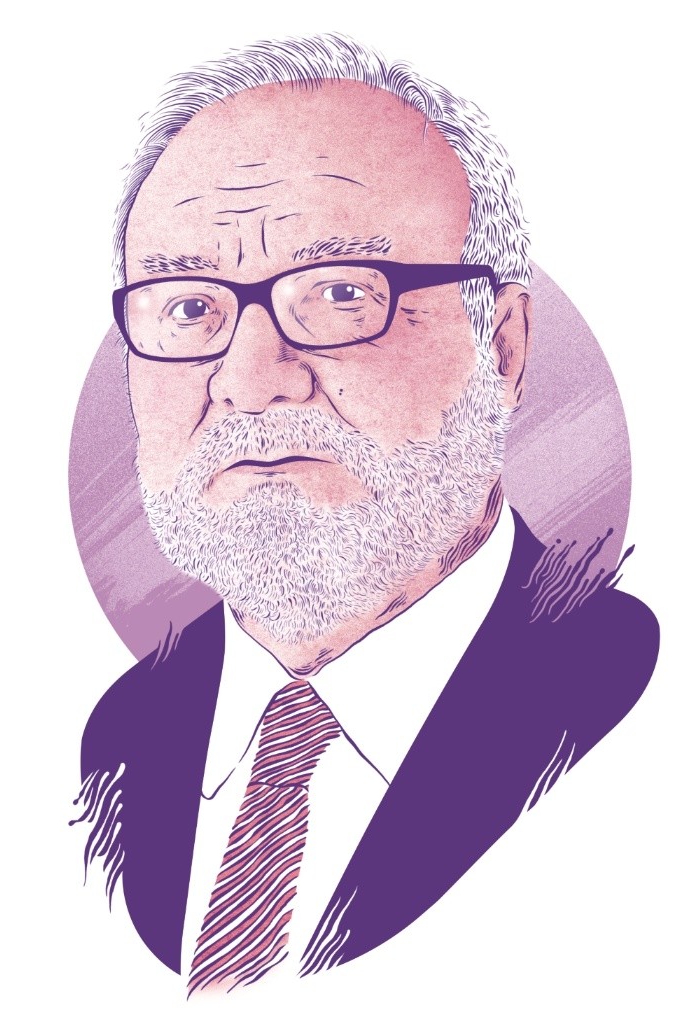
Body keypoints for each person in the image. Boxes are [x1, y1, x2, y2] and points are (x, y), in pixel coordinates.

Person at [73, 33, 659, 996]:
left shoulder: (632, 710)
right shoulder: (116, 744)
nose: (249, 380)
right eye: (186, 308)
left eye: (342, 294)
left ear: (503, 348)